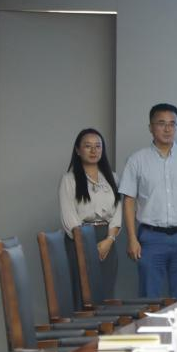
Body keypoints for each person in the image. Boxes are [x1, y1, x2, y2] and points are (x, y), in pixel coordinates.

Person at [118, 104, 177, 299]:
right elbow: (129, 201)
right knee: (149, 296)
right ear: (151, 127)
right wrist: (131, 238)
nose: (167, 129)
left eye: (172, 124)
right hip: (151, 238)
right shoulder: (136, 160)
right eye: (161, 123)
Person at [58, 127, 123, 299]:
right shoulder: (69, 180)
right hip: (79, 239)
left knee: (106, 293)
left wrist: (109, 240)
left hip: (107, 239)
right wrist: (85, 245)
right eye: (88, 146)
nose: (94, 150)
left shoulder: (113, 178)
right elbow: (69, 217)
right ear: (78, 150)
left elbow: (118, 212)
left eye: (98, 146)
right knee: (82, 294)